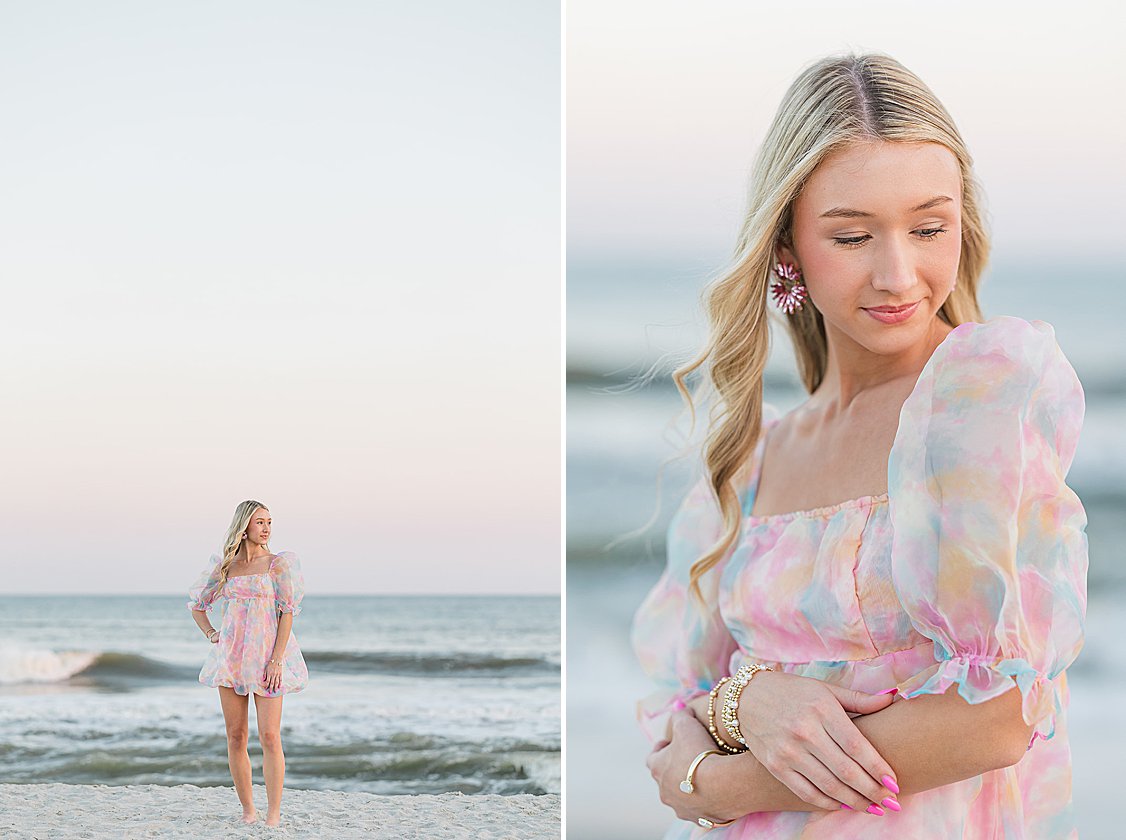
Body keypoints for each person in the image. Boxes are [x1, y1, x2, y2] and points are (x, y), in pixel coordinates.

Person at [631, 52, 1088, 838]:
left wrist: (731, 785)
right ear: (787, 249)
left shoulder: (979, 397)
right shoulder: (753, 457)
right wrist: (748, 699)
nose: (898, 273)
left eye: (929, 227)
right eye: (851, 237)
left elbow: (1001, 716)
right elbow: (680, 717)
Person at [188, 499, 309, 827]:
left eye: (269, 522)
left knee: (270, 736)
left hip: (268, 658)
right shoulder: (226, 567)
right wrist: (213, 634)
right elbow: (198, 605)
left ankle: (273, 813)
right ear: (244, 527)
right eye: (260, 522)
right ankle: (248, 810)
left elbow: (287, 613)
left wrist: (277, 660)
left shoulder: (277, 565)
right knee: (236, 735)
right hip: (232, 658)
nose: (267, 528)